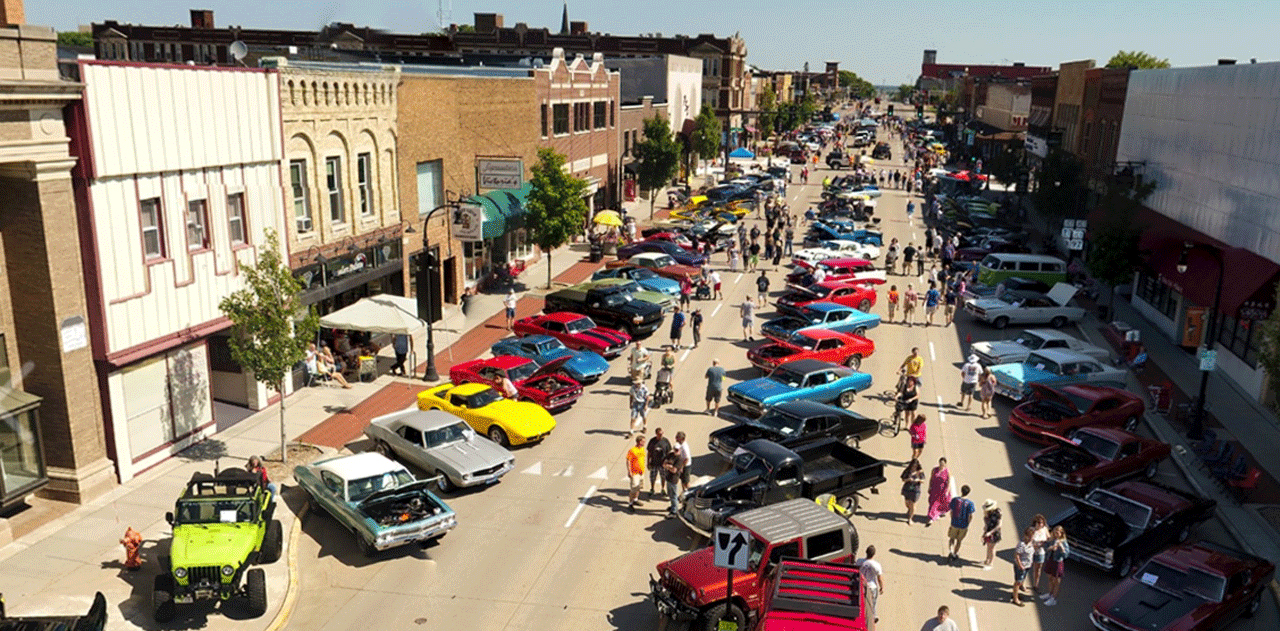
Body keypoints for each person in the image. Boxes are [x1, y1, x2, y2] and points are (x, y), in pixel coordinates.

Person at [947, 485, 977, 564]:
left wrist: (952, 519)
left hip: (954, 523)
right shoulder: (970, 503)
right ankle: (955, 553)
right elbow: (971, 516)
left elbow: (951, 511)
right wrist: (968, 523)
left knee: (951, 538)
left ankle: (950, 551)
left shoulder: (955, 500)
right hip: (963, 525)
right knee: (959, 540)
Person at [1040, 526, 1069, 606]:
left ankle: (1053, 598)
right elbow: (1046, 547)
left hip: (1058, 562)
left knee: (1056, 581)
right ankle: (1049, 594)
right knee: (1050, 578)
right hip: (1051, 560)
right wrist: (1050, 548)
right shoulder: (1052, 540)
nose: (1056, 534)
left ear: (1061, 534)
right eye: (1055, 532)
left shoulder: (1063, 542)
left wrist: (1062, 548)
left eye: (1057, 533)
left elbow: (1066, 555)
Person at [859, 546, 884, 630]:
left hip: (861, 586)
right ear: (874, 554)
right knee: (872, 606)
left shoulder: (859, 561)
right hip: (872, 587)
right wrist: (882, 587)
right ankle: (872, 622)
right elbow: (879, 578)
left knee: (861, 604)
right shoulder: (876, 565)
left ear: (866, 552)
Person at [646, 428, 672, 499]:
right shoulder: (652, 441)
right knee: (652, 477)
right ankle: (652, 488)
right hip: (654, 463)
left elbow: (669, 452)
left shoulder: (665, 441)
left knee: (663, 476)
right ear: (656, 434)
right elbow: (649, 452)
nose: (661, 435)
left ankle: (663, 489)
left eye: (662, 433)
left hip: (663, 464)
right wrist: (648, 462)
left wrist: (668, 462)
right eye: (659, 434)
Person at [1013, 527, 1035, 605]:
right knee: (1018, 582)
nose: (1031, 537)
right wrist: (1020, 565)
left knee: (1022, 579)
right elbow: (1017, 555)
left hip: (1027, 565)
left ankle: (1020, 589)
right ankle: (1015, 599)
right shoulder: (1021, 544)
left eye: (1032, 536)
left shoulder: (1031, 543)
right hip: (1021, 566)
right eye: (1030, 536)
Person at [926, 457, 951, 525]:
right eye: (940, 463)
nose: (941, 464)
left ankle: (932, 517)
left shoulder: (947, 471)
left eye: (943, 463)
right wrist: (929, 487)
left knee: (939, 504)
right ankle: (932, 515)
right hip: (935, 489)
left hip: (942, 490)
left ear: (945, 464)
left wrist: (947, 491)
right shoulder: (934, 470)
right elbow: (931, 479)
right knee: (933, 503)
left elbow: (949, 482)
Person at [1029, 514, 1050, 594]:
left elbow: (1049, 538)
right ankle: (1022, 584)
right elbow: (1028, 540)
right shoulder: (1031, 530)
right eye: (1038, 522)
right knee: (1027, 567)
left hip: (1040, 552)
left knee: (1038, 569)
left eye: (1042, 523)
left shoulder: (1045, 529)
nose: (1040, 524)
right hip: (1031, 551)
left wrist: (1044, 543)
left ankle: (1036, 585)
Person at [901, 458, 925, 525]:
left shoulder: (920, 472)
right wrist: (908, 479)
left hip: (915, 490)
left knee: (913, 505)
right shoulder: (908, 471)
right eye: (913, 466)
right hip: (907, 489)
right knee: (907, 503)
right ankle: (909, 509)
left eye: (915, 466)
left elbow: (923, 480)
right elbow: (903, 479)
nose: (914, 467)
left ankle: (910, 518)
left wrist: (918, 480)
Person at [661, 447, 684, 517]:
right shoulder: (671, 455)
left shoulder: (679, 459)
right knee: (670, 494)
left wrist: (667, 466)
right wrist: (669, 466)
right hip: (668, 477)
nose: (675, 451)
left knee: (674, 495)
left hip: (674, 479)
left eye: (677, 450)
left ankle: (674, 511)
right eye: (675, 449)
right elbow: (664, 463)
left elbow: (674, 470)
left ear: (680, 450)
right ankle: (672, 506)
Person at [626, 435, 646, 512]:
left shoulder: (642, 449)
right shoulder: (632, 450)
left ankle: (635, 499)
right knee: (633, 489)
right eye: (643, 441)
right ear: (639, 442)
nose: (644, 443)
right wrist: (629, 471)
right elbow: (628, 460)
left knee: (638, 487)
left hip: (641, 472)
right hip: (634, 473)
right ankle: (630, 503)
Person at [981, 500, 1002, 569]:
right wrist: (985, 532)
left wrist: (990, 532)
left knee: (992, 548)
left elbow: (999, 525)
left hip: (994, 533)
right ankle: (987, 559)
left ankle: (991, 563)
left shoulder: (997, 513)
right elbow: (986, 524)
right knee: (988, 546)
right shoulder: (987, 514)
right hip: (988, 531)